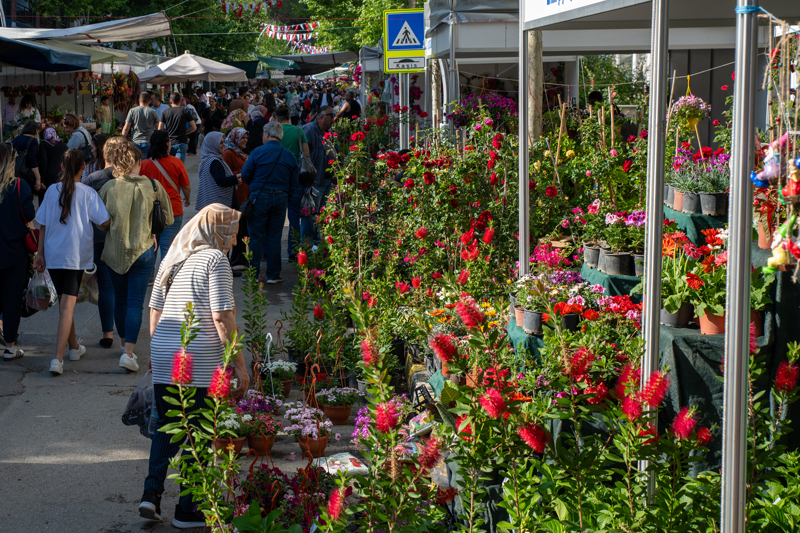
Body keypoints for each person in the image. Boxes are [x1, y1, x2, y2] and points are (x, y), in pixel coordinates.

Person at [139, 204, 249, 529]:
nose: (233, 241)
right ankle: (187, 510)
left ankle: (150, 494)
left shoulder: (174, 257)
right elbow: (222, 316)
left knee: (167, 424)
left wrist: (157, 349)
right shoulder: (215, 260)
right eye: (231, 234)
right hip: (198, 358)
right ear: (216, 231)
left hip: (164, 351)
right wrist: (240, 366)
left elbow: (155, 310)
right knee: (197, 431)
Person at [99, 137, 174, 373]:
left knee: (120, 300)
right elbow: (168, 219)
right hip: (143, 250)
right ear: (137, 162)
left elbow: (101, 223)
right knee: (135, 303)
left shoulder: (108, 188)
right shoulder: (153, 186)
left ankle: (124, 345)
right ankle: (129, 352)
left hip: (115, 251)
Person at [34, 149, 110, 375]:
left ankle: (74, 347)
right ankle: (57, 359)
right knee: (67, 307)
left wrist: (40, 254)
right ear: (83, 167)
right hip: (76, 256)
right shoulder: (88, 193)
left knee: (64, 306)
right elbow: (105, 221)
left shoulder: (51, 191)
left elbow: (42, 225)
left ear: (62, 166)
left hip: (54, 254)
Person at [242, 120, 299, 283]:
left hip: (259, 197)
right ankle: (273, 274)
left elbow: (245, 174)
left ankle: (252, 274)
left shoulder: (257, 152)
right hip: (281, 198)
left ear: (267, 134)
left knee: (255, 236)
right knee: (274, 236)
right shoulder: (289, 155)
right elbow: (294, 182)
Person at [0, 143, 35, 361]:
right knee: (12, 300)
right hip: (15, 252)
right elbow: (29, 214)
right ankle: (10, 347)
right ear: (11, 163)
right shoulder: (20, 186)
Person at [140, 130, 191, 278]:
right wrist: (187, 199)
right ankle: (165, 277)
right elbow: (186, 186)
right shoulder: (176, 162)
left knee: (151, 245)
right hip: (173, 210)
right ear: (166, 144)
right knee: (168, 247)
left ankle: (149, 276)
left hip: (151, 211)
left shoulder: (144, 165)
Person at [83, 146, 117, 349]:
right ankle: (126, 337)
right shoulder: (131, 179)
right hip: (123, 238)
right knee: (124, 287)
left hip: (98, 238)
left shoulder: (93, 179)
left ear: (104, 155)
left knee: (105, 285)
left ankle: (107, 333)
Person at [275, 104, 310, 261]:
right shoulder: (298, 130)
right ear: (289, 115)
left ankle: (271, 251)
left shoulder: (275, 132)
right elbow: (306, 154)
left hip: (278, 176)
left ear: (277, 117)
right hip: (296, 176)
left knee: (276, 217)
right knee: (294, 216)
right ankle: (293, 251)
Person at [222, 128, 249, 269]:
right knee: (238, 230)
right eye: (242, 137)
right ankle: (236, 261)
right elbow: (225, 175)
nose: (245, 140)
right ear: (234, 138)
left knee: (243, 229)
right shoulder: (228, 153)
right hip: (236, 197)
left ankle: (240, 260)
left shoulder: (241, 154)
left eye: (246, 137)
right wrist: (242, 172)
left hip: (244, 195)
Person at [302, 105, 336, 211]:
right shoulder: (309, 130)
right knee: (311, 214)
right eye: (331, 116)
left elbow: (336, 152)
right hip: (314, 182)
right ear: (321, 117)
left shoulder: (329, 132)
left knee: (322, 215)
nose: (333, 119)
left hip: (326, 181)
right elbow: (302, 155)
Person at [196, 132, 240, 211]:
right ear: (212, 144)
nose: (223, 145)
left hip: (214, 204)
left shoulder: (208, 160)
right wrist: (237, 176)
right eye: (220, 143)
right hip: (219, 205)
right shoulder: (214, 162)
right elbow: (221, 181)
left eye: (224, 142)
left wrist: (235, 180)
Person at [158, 93, 196, 163]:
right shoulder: (185, 112)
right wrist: (186, 132)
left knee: (169, 165)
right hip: (181, 142)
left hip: (169, 143)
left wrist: (167, 133)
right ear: (180, 101)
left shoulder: (165, 112)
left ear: (170, 101)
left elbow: (160, 128)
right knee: (179, 165)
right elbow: (194, 127)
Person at [122, 92, 159, 157]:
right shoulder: (153, 112)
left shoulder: (132, 111)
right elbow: (158, 129)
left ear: (139, 100)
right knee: (146, 162)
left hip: (135, 142)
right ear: (149, 101)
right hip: (148, 142)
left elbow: (126, 127)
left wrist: (122, 139)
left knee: (136, 161)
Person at [11, 120, 43, 194]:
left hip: (14, 173)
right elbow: (32, 160)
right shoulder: (33, 141)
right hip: (26, 175)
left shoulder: (15, 139)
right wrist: (38, 178)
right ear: (36, 130)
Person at [39, 127, 69, 204]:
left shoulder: (44, 144)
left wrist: (42, 180)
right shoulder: (63, 145)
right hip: (61, 175)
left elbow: (43, 161)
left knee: (47, 200)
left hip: (48, 176)